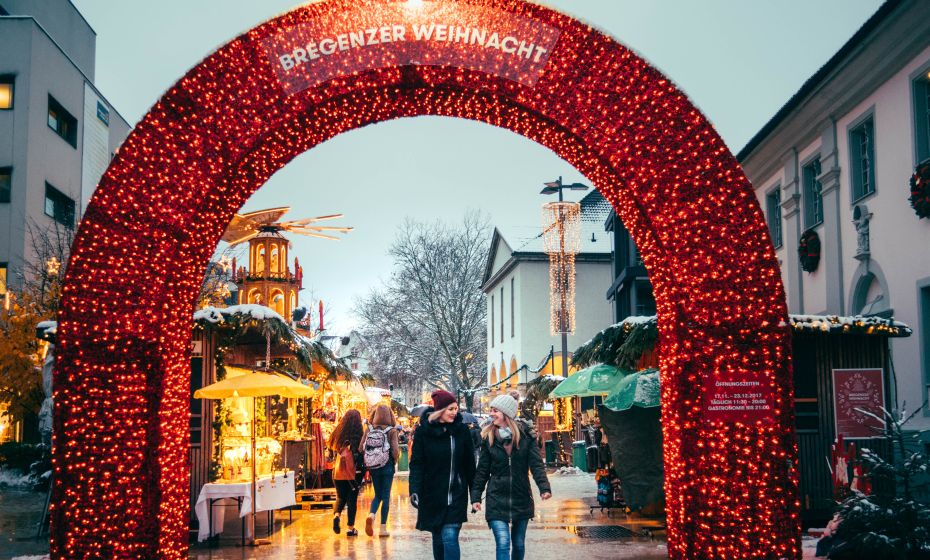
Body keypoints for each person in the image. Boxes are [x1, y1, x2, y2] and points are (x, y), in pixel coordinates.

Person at [471, 394, 551, 560]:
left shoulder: (526, 438)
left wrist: (544, 488)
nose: (491, 414)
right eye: (491, 410)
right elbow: (482, 471)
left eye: (495, 411)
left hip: (521, 497)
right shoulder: (489, 438)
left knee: (519, 543)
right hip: (496, 498)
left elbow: (536, 465)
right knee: (503, 541)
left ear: (506, 413)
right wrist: (476, 497)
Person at [409, 390, 476, 560]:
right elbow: (417, 464)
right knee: (438, 538)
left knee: (450, 536)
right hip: (432, 495)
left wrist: (474, 494)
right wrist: (414, 490)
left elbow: (469, 464)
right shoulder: (423, 432)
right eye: (450, 409)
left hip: (456, 494)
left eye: (456, 409)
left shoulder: (461, 431)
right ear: (440, 411)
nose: (455, 412)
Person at [361, 404, 400, 537]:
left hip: (374, 467)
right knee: (386, 496)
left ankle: (371, 515)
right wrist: (394, 460)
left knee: (377, 495)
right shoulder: (392, 430)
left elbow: (361, 448)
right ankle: (383, 528)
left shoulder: (369, 429)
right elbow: (395, 451)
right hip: (387, 466)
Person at [327, 409, 365, 537]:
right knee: (351, 500)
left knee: (340, 497)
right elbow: (361, 453)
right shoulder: (359, 436)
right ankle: (350, 528)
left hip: (338, 472)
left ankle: (336, 515)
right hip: (353, 473)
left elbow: (331, 447)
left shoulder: (339, 433)